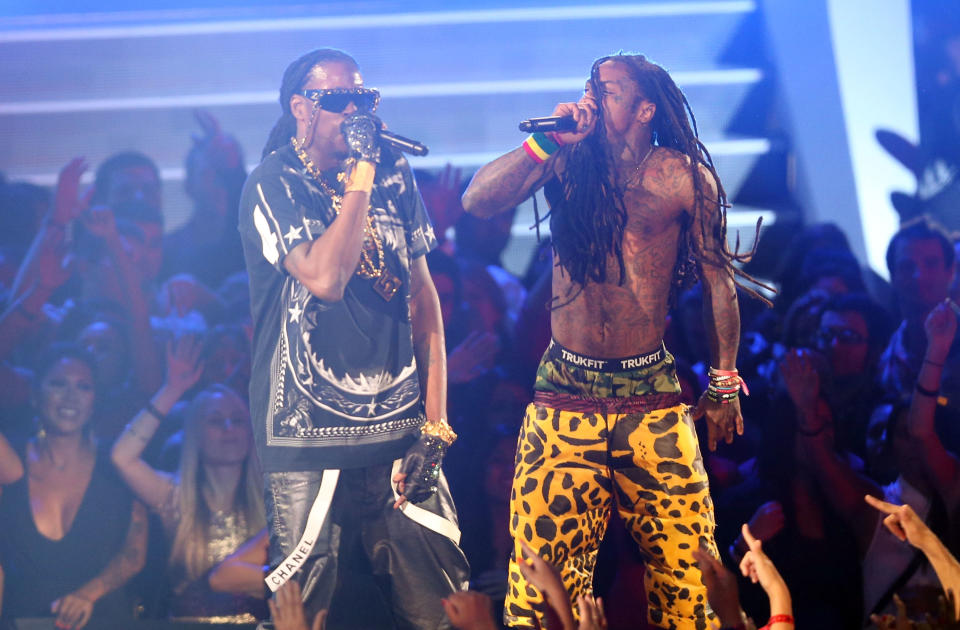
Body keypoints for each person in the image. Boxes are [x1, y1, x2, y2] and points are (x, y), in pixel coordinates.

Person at [462, 52, 767, 629]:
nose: (592, 99)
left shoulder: (681, 174)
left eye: (607, 90)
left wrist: (724, 379)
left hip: (650, 393)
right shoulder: (567, 158)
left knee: (690, 576)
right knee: (539, 583)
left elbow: (716, 277)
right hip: (565, 390)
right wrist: (547, 142)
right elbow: (478, 201)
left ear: (644, 107)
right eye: (589, 88)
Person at [238, 48, 468, 627]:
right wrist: (361, 177)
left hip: (398, 426)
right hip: (305, 428)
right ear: (301, 109)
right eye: (339, 100)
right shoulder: (274, 181)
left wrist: (435, 422)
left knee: (441, 602)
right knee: (304, 604)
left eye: (363, 98)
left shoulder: (394, 173)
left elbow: (424, 301)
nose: (356, 110)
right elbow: (327, 278)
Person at [111, 338, 268, 622]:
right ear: (195, 434)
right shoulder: (174, 496)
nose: (228, 428)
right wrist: (171, 390)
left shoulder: (273, 501)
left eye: (238, 420)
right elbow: (122, 457)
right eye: (215, 420)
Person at [0, 343, 147, 629]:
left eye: (83, 387)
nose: (70, 396)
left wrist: (86, 594)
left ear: (95, 401)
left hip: (103, 620)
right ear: (35, 395)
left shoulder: (117, 465)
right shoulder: (11, 462)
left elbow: (134, 554)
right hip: (22, 621)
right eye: (58, 384)